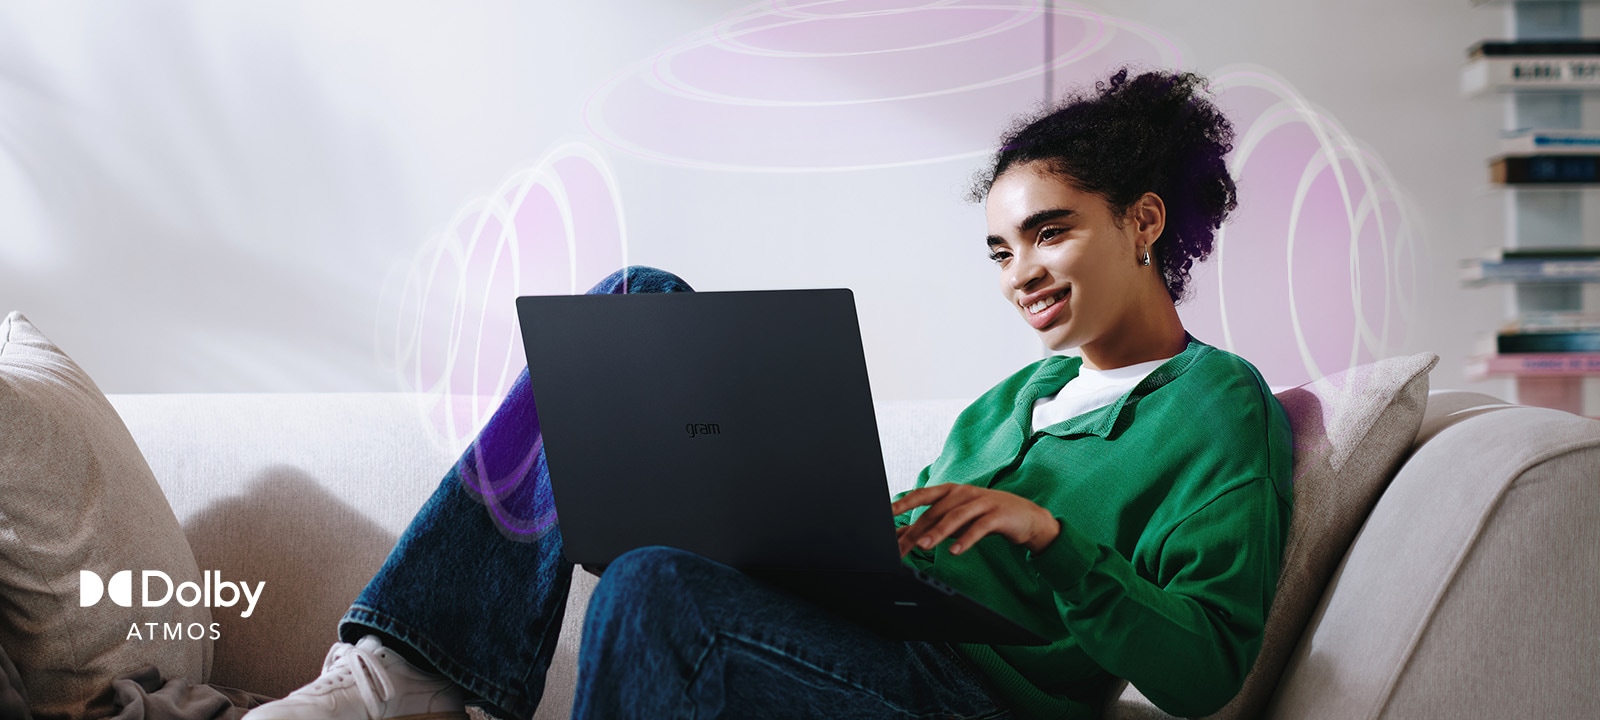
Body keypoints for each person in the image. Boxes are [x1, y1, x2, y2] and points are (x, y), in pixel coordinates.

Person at [244, 66, 1292, 720]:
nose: (1019, 271)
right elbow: (912, 556)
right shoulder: (1013, 398)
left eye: (1049, 232)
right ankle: (407, 671)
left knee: (654, 584)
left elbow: (1204, 674)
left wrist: (1049, 537)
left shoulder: (1216, 407)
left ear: (1144, 222)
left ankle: (417, 682)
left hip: (963, 700)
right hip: (877, 647)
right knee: (631, 307)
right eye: (998, 248)